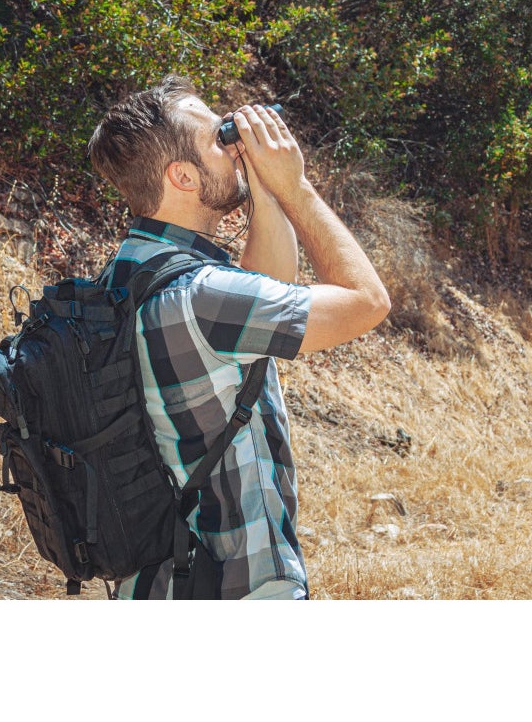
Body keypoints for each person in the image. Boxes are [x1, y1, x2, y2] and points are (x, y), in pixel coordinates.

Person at [87, 75, 391, 599]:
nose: (233, 144)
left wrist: (263, 186)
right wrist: (296, 188)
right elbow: (368, 302)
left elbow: (265, 289)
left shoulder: (118, 280)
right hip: (239, 583)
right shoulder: (202, 296)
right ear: (182, 175)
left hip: (154, 585)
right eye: (218, 138)